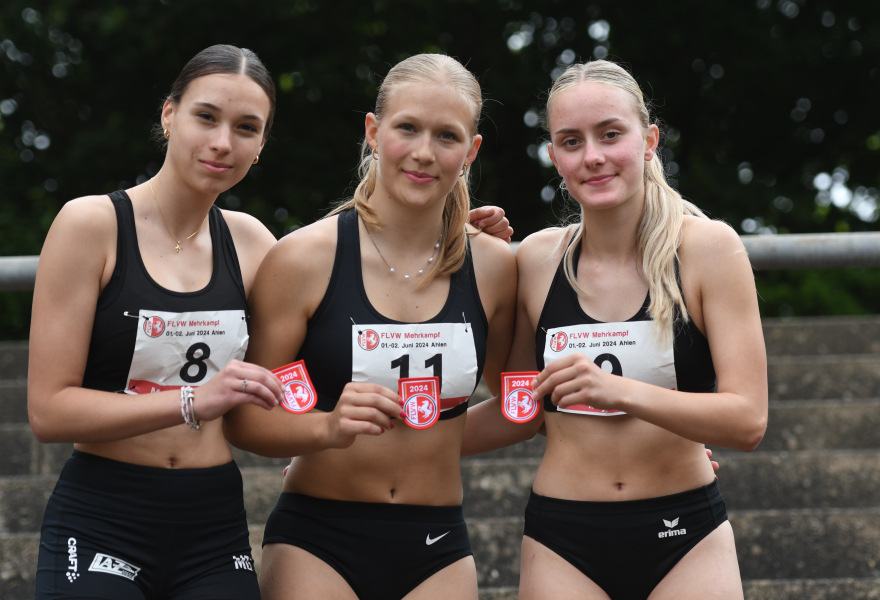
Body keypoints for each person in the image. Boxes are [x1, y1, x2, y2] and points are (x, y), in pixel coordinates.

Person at [27, 43, 512, 600]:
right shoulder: (91, 224)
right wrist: (197, 403)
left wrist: (446, 230)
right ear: (168, 114)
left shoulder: (256, 244)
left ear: (260, 146)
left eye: (246, 128)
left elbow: (312, 349)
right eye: (206, 117)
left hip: (211, 521)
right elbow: (46, 410)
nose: (221, 142)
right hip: (106, 510)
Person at [463, 59, 767, 600]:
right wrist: (467, 262)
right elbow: (517, 403)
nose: (594, 157)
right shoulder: (534, 260)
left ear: (648, 140)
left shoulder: (708, 249)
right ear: (555, 157)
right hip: (564, 538)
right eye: (571, 141)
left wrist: (621, 391)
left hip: (685, 531)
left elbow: (747, 419)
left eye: (610, 134)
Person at [223, 54, 517, 600]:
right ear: (373, 132)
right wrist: (326, 428)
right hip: (318, 539)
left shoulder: (497, 267)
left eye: (447, 136)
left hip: (438, 543)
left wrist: (661, 449)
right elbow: (245, 419)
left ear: (471, 151)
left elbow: (522, 405)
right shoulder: (303, 259)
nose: (424, 152)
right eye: (407, 128)